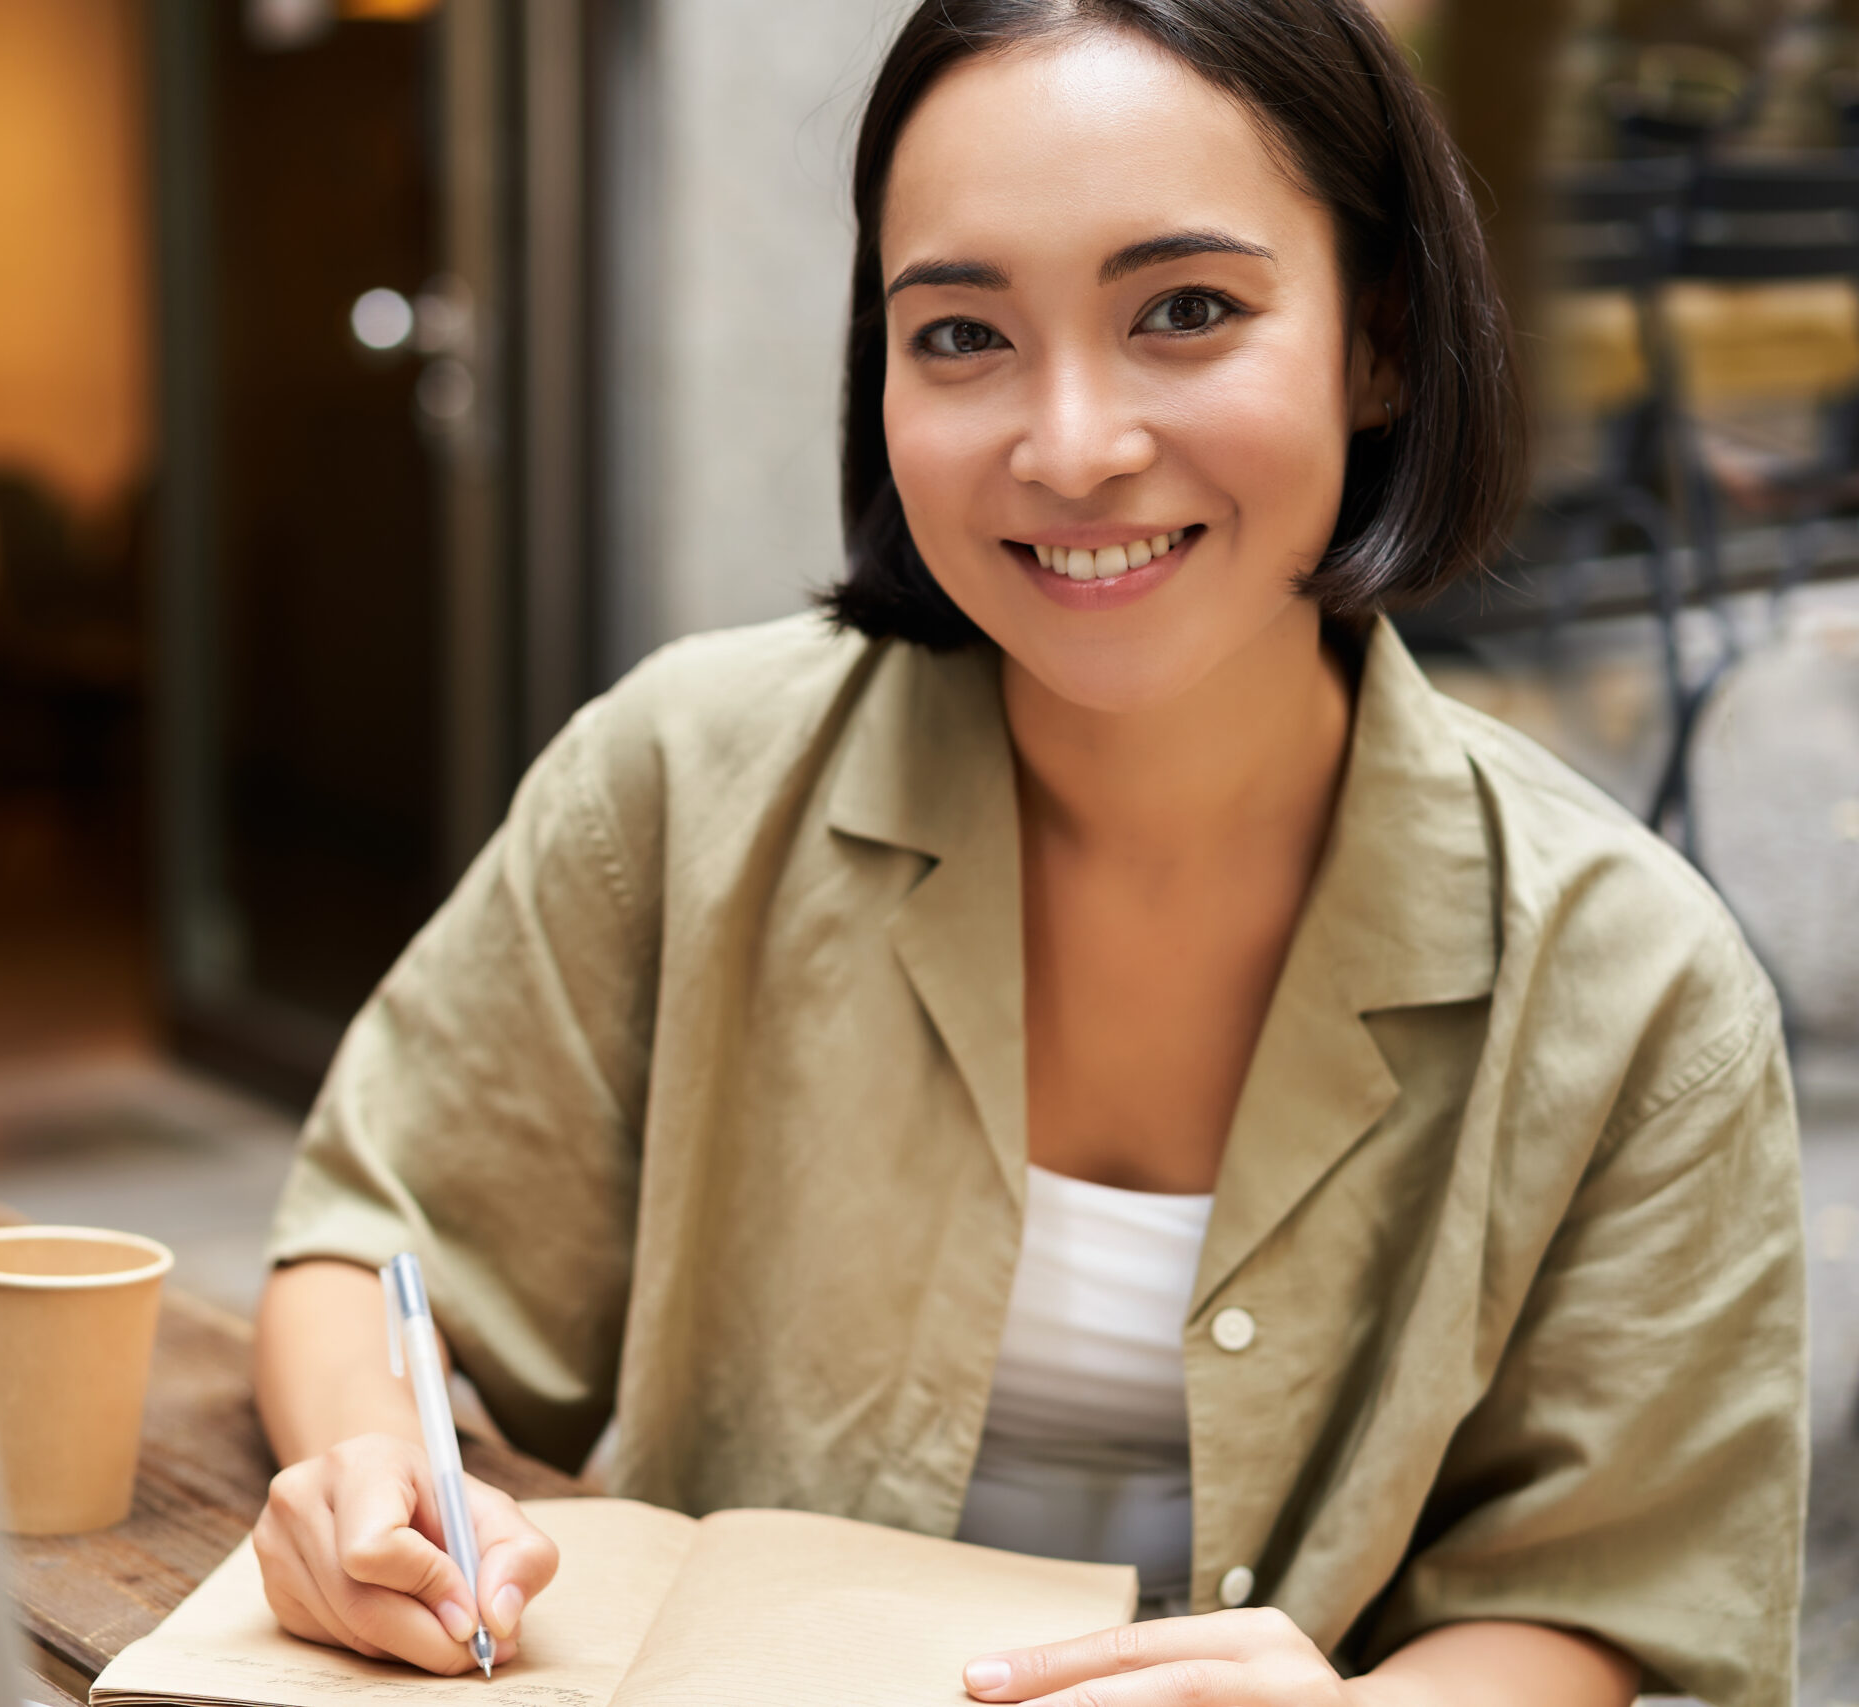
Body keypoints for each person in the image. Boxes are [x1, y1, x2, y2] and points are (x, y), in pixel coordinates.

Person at [244, 0, 1809, 1701]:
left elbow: (1608, 1592)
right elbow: (374, 1246)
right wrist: (369, 1478)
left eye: (1188, 311)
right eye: (964, 335)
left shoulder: (1634, 984)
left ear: (1385, 340)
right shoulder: (685, 783)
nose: (1071, 448)